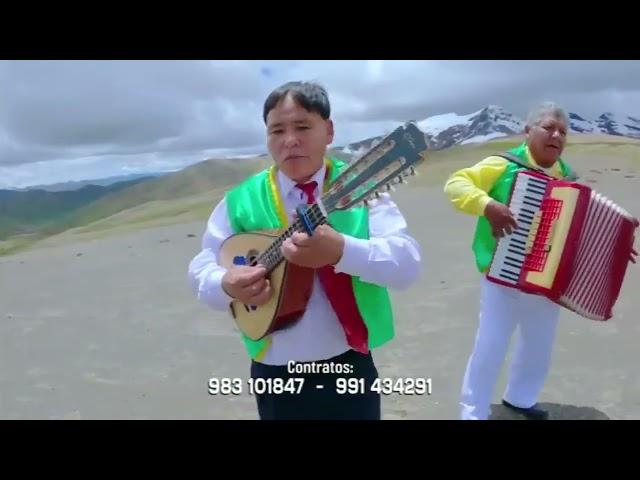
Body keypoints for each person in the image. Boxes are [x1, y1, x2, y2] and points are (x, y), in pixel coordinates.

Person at [188, 81, 421, 420]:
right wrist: (225, 283)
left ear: (329, 131)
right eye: (277, 131)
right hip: (274, 368)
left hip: (348, 363)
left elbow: (407, 266)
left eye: (302, 126)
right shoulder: (239, 200)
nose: (290, 140)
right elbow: (202, 266)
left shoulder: (362, 189)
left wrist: (341, 251)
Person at [444, 101, 638, 420]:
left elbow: (583, 225)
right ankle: (473, 410)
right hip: (501, 275)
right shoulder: (502, 164)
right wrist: (488, 205)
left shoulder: (568, 178)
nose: (556, 136)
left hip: (547, 280)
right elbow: (456, 184)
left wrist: (611, 243)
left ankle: (520, 397)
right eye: (548, 127)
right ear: (528, 130)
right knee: (491, 344)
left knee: (539, 345)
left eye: (563, 131)